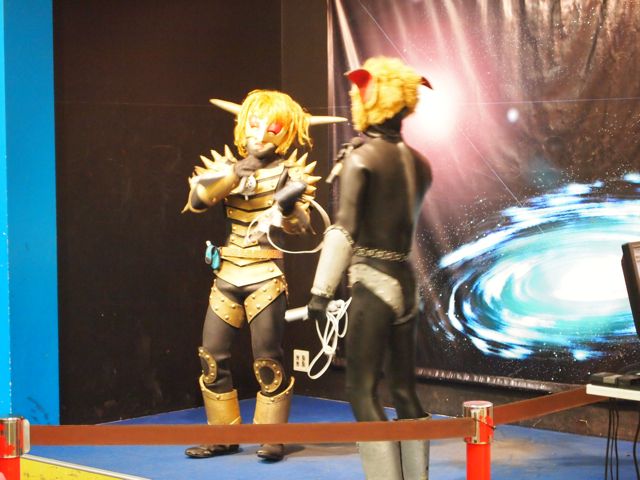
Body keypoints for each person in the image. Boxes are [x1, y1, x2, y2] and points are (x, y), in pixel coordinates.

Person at [183, 89, 343, 462]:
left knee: (268, 362)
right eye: (255, 124)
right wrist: (231, 175)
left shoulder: (290, 173)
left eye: (273, 127)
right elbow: (196, 201)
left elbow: (301, 226)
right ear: (244, 124)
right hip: (227, 274)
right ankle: (223, 436)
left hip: (266, 277)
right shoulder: (226, 166)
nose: (261, 133)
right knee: (211, 358)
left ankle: (272, 437)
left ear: (286, 132)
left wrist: (286, 206)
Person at [307, 57, 434, 479]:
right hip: (406, 283)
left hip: (373, 279)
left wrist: (320, 292)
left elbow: (344, 228)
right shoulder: (421, 163)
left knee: (361, 391)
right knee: (405, 392)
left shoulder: (360, 159)